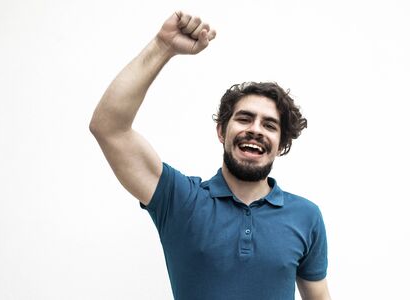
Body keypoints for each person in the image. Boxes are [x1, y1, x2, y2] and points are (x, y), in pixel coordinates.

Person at [89, 11, 331, 300]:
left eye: (269, 125)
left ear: (280, 144)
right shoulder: (180, 200)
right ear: (221, 132)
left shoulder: (306, 216)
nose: (255, 129)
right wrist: (162, 47)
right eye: (244, 119)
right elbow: (109, 128)